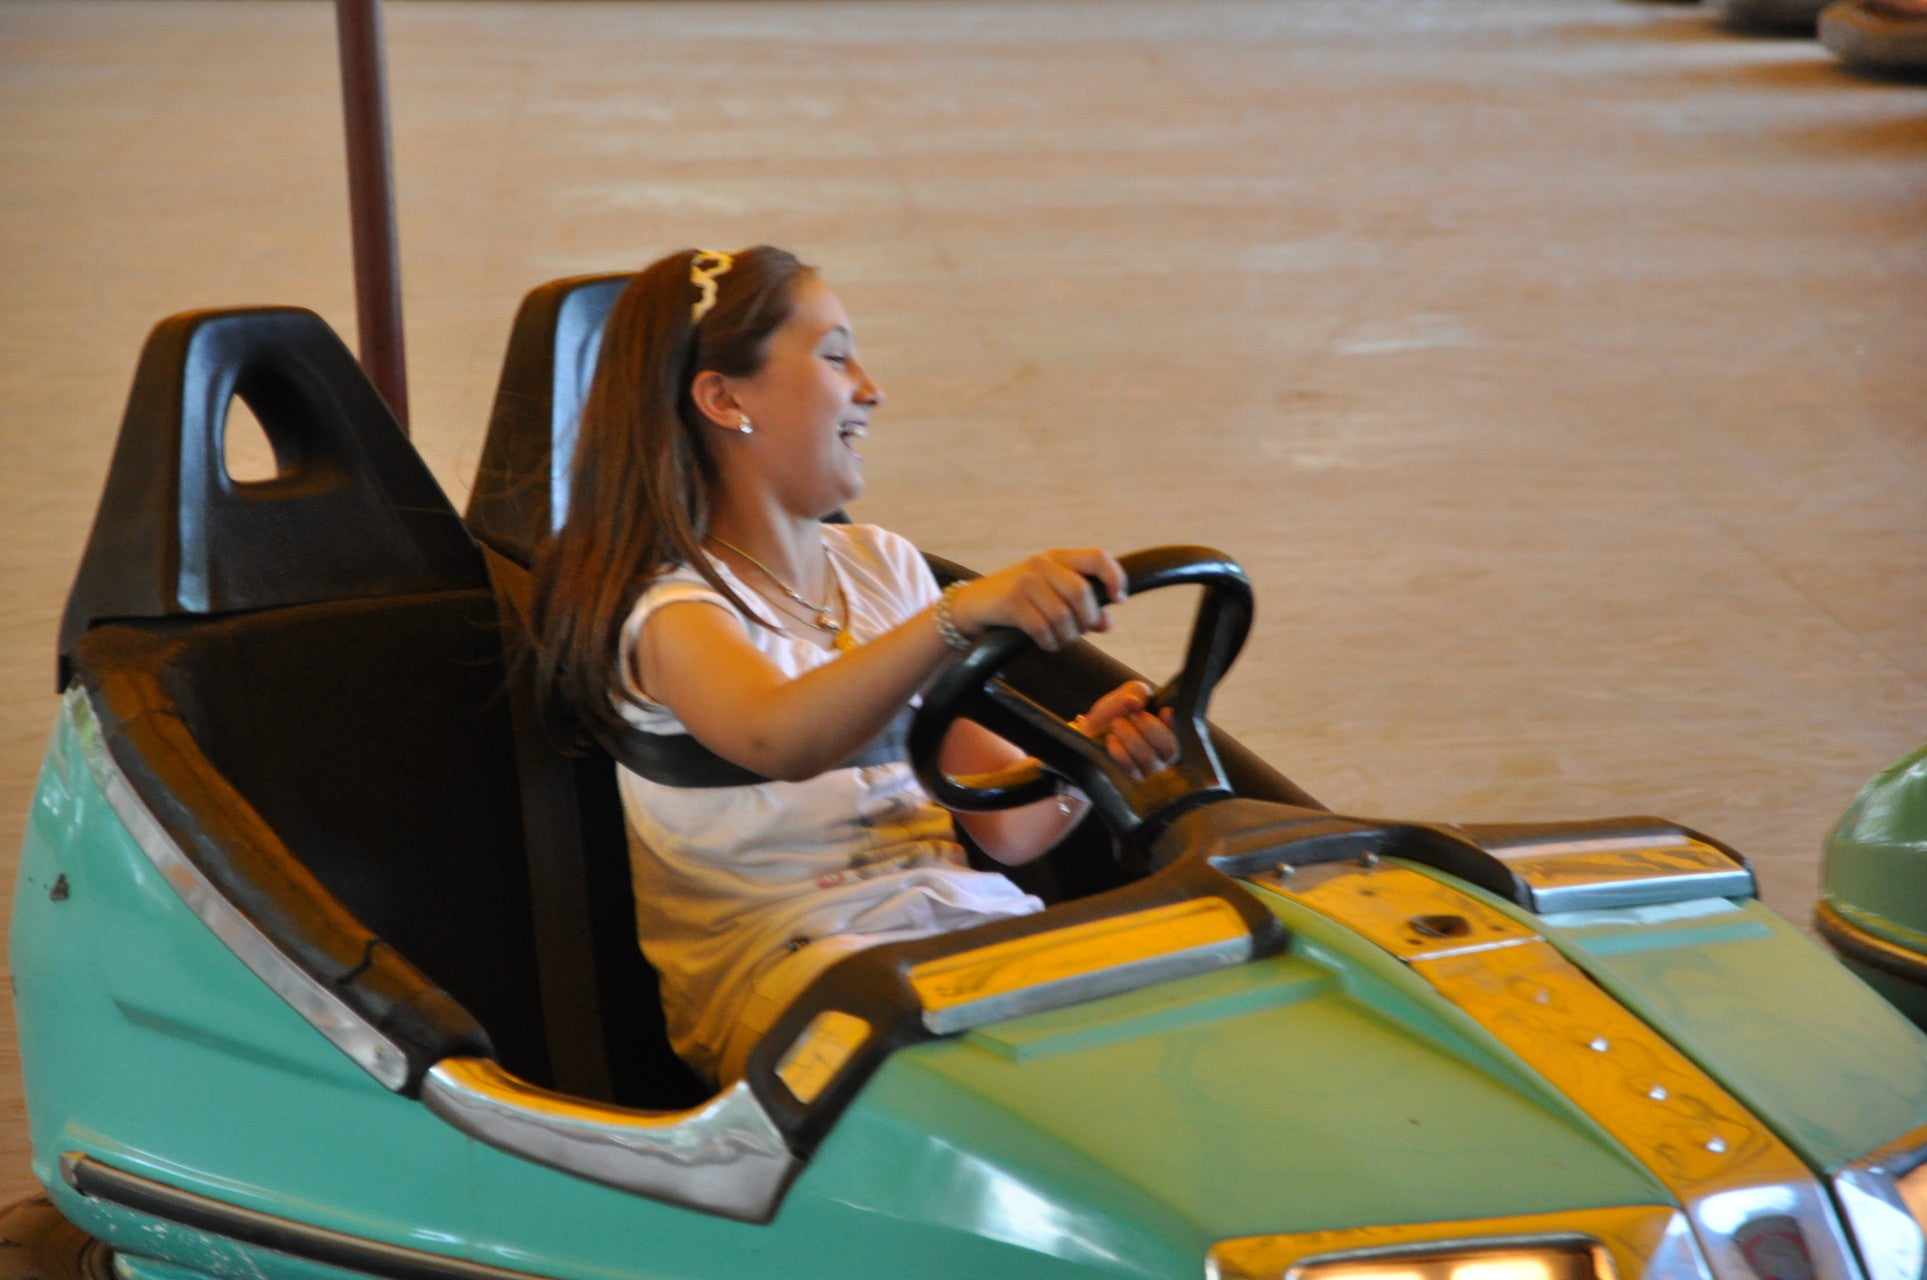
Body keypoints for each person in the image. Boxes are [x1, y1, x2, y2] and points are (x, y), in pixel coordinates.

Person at [533, 245, 1176, 1086]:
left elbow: (1005, 824)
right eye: (836, 356)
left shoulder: (882, 567)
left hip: (960, 936)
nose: (870, 388)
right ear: (725, 398)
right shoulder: (667, 613)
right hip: (795, 981)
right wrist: (957, 615)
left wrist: (1086, 755)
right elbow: (777, 737)